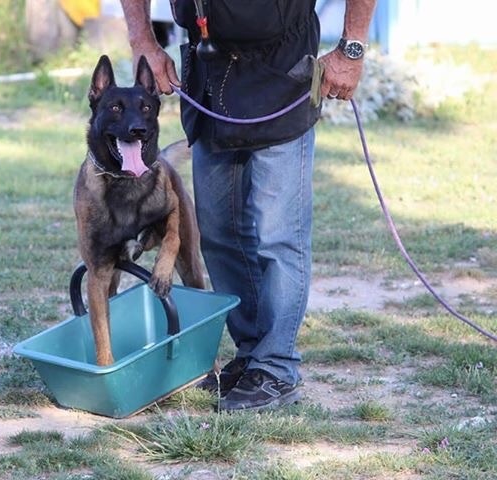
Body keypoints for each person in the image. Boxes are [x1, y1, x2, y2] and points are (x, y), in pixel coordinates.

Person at [120, 0, 377, 411]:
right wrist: (143, 40)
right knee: (219, 234)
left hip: (282, 69)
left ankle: (276, 367)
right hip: (208, 72)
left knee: (279, 237)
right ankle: (253, 355)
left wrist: (352, 48)